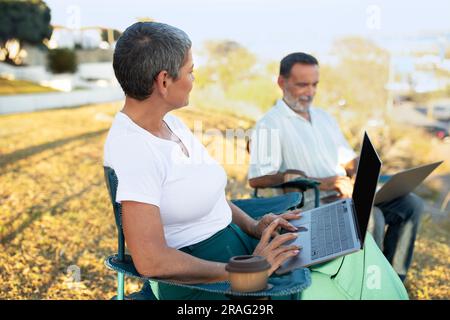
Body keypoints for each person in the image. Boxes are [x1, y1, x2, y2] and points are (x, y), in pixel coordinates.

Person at [104, 22, 407, 300]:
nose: (194, 79)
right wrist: (247, 271)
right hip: (204, 280)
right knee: (336, 290)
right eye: (190, 71)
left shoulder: (173, 126)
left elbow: (208, 197)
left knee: (354, 250)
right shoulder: (134, 149)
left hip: (239, 251)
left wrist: (254, 226)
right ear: (164, 81)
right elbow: (150, 260)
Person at [248, 52, 424, 282]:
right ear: (281, 82)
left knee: (410, 204)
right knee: (371, 217)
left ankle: (394, 279)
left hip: (347, 194)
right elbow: (259, 179)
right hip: (314, 202)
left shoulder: (324, 117)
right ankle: (366, 285)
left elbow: (348, 160)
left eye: (314, 84)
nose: (310, 92)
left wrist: (364, 169)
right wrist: (325, 182)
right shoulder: (269, 124)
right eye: (302, 85)